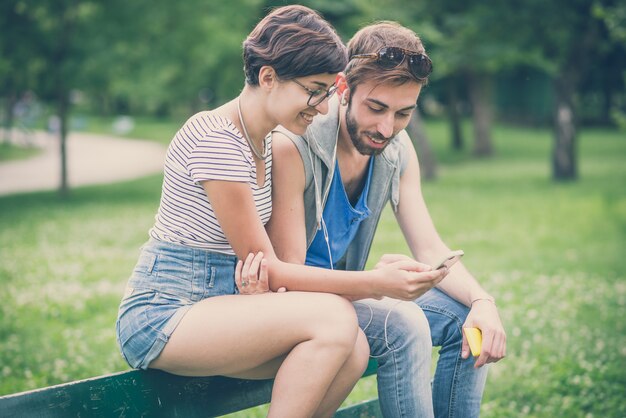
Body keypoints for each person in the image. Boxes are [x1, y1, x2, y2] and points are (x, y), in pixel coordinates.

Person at [116, 7, 447, 418]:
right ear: (268, 77)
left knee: (355, 349)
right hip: (165, 314)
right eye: (315, 90)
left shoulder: (267, 143)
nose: (324, 108)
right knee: (335, 318)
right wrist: (376, 282)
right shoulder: (217, 140)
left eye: (328, 92)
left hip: (220, 307)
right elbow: (269, 267)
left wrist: (258, 295)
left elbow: (261, 271)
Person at [264, 22, 507, 417]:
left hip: (351, 295)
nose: (386, 128)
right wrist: (378, 285)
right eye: (376, 108)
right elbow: (289, 276)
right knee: (404, 324)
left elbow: (429, 248)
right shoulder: (295, 142)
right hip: (300, 306)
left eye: (403, 113)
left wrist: (484, 302)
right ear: (342, 89)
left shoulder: (397, 149)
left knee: (466, 319)